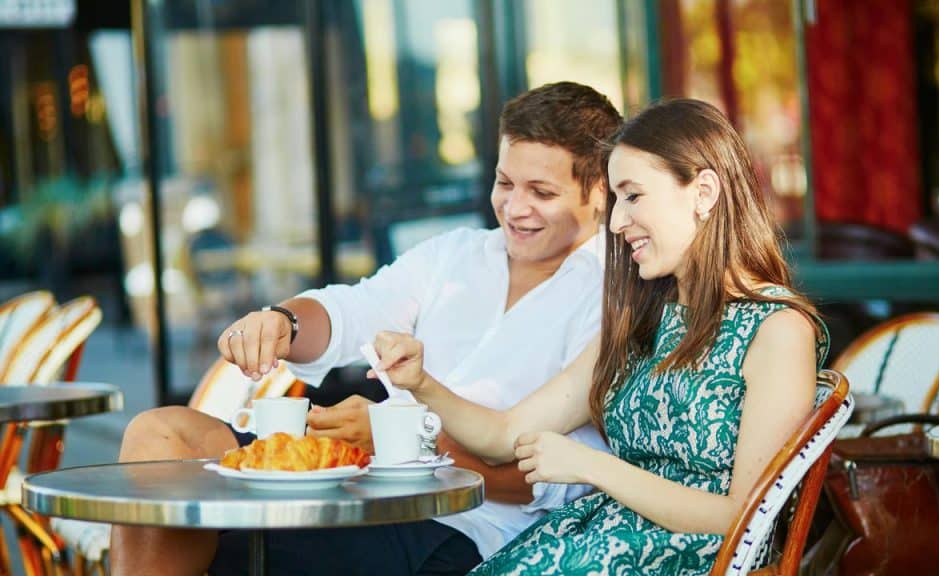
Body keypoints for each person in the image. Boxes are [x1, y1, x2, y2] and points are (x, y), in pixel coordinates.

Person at [109, 81, 622, 576]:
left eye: (541, 192)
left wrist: (395, 444)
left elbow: (560, 479)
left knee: (241, 550)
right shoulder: (459, 254)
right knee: (160, 437)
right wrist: (281, 322)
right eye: (505, 183)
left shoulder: (611, 297)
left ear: (599, 191)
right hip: (361, 480)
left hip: (464, 527)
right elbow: (355, 308)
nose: (514, 208)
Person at [370, 98, 829, 575]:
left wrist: (592, 467)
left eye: (633, 196)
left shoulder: (775, 329)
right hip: (593, 546)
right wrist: (421, 384)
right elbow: (503, 435)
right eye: (615, 201)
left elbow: (744, 516)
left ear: (704, 191)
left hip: (674, 563)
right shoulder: (643, 324)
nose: (616, 223)